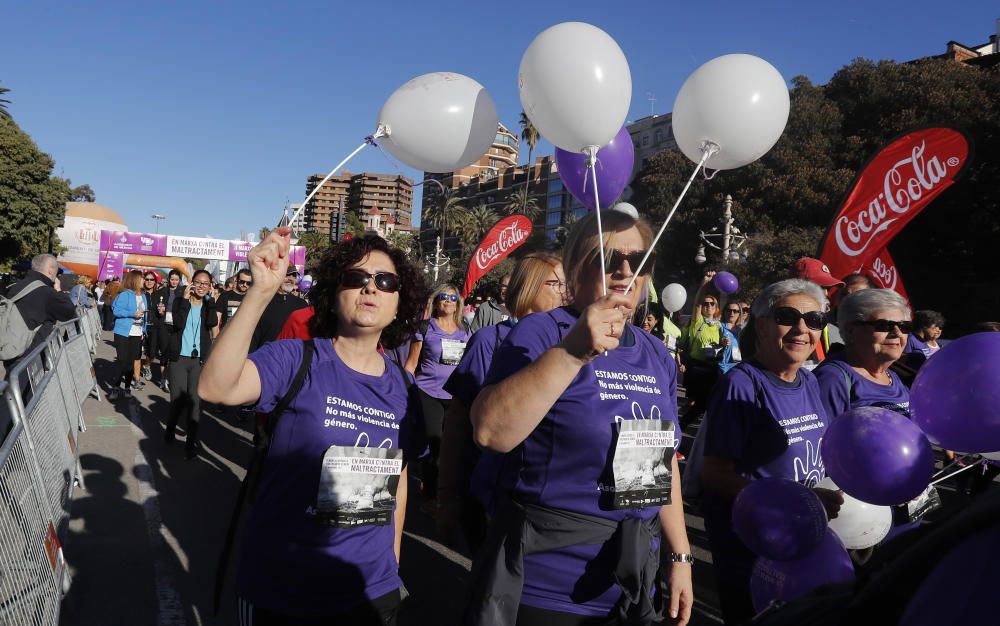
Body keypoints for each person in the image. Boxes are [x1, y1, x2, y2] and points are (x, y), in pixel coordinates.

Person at [467, 211, 693, 626]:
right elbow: (490, 432)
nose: (625, 270)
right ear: (575, 265)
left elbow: (665, 463)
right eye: (607, 257)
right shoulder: (541, 331)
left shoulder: (656, 354)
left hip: (632, 582)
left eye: (638, 259)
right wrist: (573, 352)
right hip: (548, 584)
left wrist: (680, 556)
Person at [199, 229, 427, 624]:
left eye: (385, 281)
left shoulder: (404, 388)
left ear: (398, 303)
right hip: (286, 589)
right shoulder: (296, 358)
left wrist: (392, 559)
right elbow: (215, 387)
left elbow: (399, 476)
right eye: (356, 278)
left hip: (369, 591)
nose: (370, 287)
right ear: (333, 294)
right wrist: (259, 294)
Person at [697, 278, 843, 625]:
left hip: (803, 540)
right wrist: (791, 501)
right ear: (760, 324)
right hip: (753, 550)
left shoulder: (809, 380)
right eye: (787, 316)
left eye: (814, 321)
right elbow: (713, 473)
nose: (802, 329)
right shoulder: (742, 384)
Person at [437, 252, 566, 552]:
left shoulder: (571, 344)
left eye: (566, 284)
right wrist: (447, 496)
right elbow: (457, 420)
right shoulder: (489, 340)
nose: (564, 291)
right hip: (495, 491)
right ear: (531, 286)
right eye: (555, 284)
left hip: (548, 495)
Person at [404, 284, 470, 504]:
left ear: (458, 303)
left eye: (453, 298)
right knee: (437, 443)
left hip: (454, 396)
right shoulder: (426, 327)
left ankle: (435, 487)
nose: (448, 301)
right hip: (427, 392)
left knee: (449, 447)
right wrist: (404, 391)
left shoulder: (465, 331)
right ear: (436, 301)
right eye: (444, 296)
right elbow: (411, 365)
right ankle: (431, 496)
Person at [161, 269, 217, 458]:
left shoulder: (208, 305)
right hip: (179, 359)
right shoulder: (179, 301)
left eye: (206, 284)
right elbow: (177, 323)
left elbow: (211, 322)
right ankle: (170, 429)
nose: (202, 287)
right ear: (192, 283)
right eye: (199, 283)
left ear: (209, 286)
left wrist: (212, 302)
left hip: (198, 361)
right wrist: (185, 300)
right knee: (177, 401)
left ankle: (191, 442)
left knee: (195, 402)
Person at [2, 254, 77, 373]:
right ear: (51, 270)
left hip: (11, 348)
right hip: (30, 357)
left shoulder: (15, 286)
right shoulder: (47, 293)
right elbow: (69, 312)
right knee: (24, 389)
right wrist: (58, 289)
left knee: (12, 386)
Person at [679, 272, 723, 427]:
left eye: (712, 304)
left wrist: (725, 344)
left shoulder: (719, 326)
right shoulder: (698, 321)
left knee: (704, 405)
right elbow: (696, 304)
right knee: (691, 404)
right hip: (696, 367)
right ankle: (679, 432)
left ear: (717, 307)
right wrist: (704, 284)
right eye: (706, 304)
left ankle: (682, 428)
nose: (708, 306)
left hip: (711, 368)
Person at [108, 270, 148, 400]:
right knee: (122, 361)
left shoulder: (143, 296)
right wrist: (133, 313)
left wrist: (143, 330)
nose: (145, 281)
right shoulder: (125, 295)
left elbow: (145, 315)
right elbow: (116, 310)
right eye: (142, 279)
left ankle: (127, 388)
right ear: (135, 280)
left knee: (131, 362)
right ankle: (115, 387)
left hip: (137, 333)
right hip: (123, 332)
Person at [248, 267, 308, 352]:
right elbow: (253, 335)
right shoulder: (263, 301)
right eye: (287, 275)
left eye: (294, 276)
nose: (290, 278)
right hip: (263, 358)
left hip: (291, 359)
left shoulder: (302, 304)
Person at [149, 270, 183, 390]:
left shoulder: (183, 292)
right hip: (164, 324)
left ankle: (172, 378)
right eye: (172, 279)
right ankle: (163, 379)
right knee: (164, 352)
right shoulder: (162, 291)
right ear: (169, 280)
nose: (174, 282)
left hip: (177, 326)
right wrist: (160, 310)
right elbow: (155, 306)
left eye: (176, 279)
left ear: (179, 280)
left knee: (174, 353)